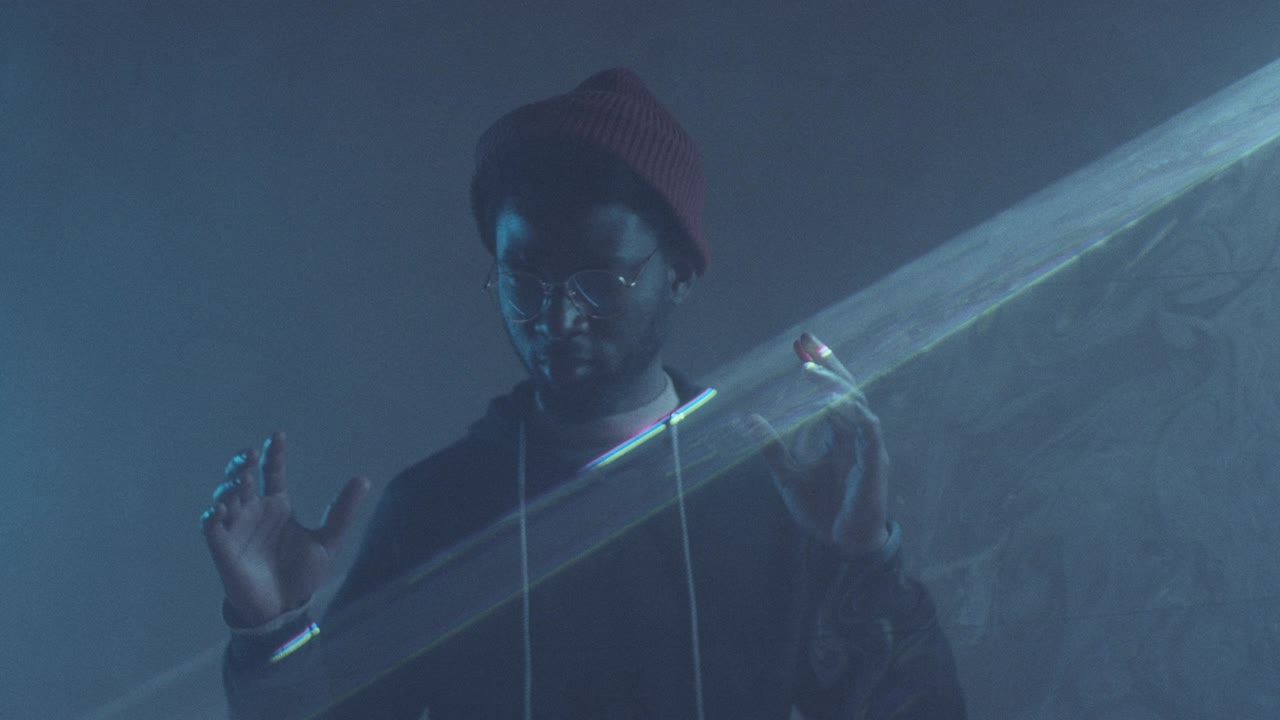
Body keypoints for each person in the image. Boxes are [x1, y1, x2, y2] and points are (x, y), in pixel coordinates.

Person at [202, 67, 967, 719]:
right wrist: (275, 634)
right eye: (523, 280)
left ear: (682, 272)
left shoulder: (774, 493)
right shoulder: (436, 513)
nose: (558, 316)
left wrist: (866, 558)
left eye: (600, 278)